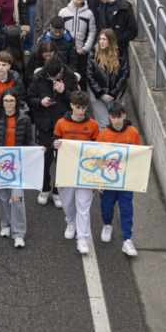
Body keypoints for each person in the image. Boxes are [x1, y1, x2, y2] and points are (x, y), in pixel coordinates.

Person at [54, 90, 102, 254]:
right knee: (67, 202)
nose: (81, 111)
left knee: (83, 206)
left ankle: (82, 238)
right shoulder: (61, 123)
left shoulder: (94, 125)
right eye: (78, 107)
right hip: (67, 170)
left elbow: (97, 150)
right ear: (71, 105)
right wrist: (56, 146)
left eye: (84, 108)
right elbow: (55, 144)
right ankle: (71, 221)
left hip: (86, 173)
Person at [0, 88, 32, 248]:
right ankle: (5, 225)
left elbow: (28, 141)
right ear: (1, 103)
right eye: (6, 101)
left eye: (11, 101)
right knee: (3, 197)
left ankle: (18, 234)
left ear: (16, 102)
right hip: (0, 166)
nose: (9, 104)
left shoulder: (24, 119)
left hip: (17, 166)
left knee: (17, 198)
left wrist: (38, 149)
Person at [27, 55, 77, 207]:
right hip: (44, 125)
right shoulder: (39, 76)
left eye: (55, 76)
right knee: (44, 159)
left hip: (63, 126)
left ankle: (57, 191)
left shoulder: (70, 77)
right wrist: (40, 102)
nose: (51, 78)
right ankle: (44, 188)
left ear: (61, 71)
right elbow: (29, 98)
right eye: (49, 76)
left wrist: (64, 92)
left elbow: (78, 100)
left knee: (62, 161)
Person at [99, 101, 142, 257]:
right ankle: (107, 224)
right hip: (108, 181)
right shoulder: (103, 135)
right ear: (109, 117)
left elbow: (138, 154)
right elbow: (98, 159)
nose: (116, 121)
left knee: (126, 209)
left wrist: (147, 151)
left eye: (119, 117)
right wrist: (98, 181)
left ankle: (127, 239)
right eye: (113, 117)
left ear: (124, 116)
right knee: (106, 207)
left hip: (126, 180)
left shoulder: (133, 132)